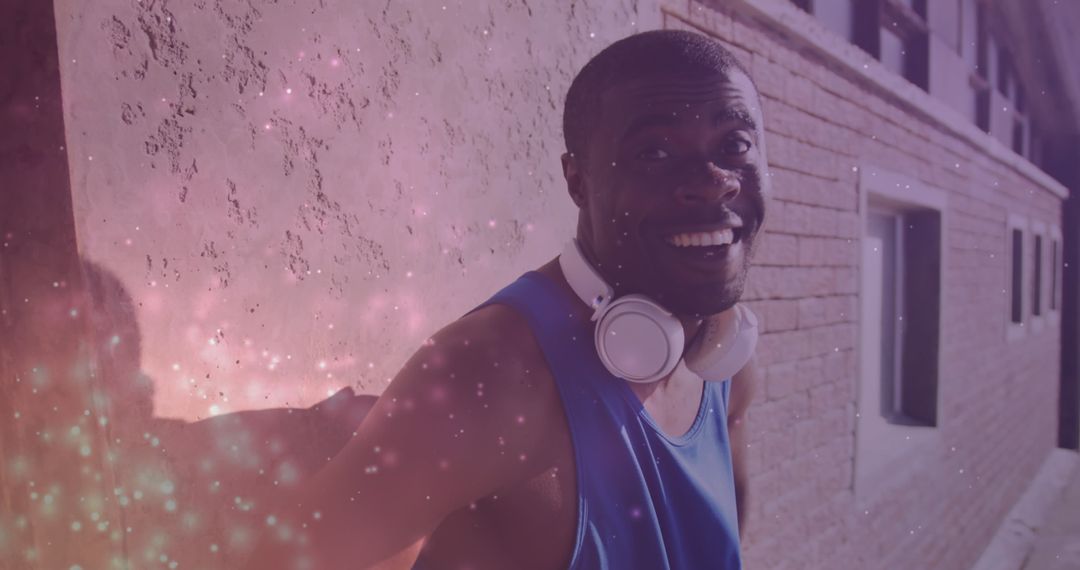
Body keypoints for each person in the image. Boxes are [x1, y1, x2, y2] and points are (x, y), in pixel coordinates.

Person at [243, 29, 767, 570]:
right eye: (654, 151)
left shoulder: (724, 354)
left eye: (735, 145)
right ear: (577, 181)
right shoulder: (490, 376)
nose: (713, 182)